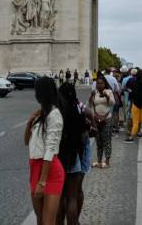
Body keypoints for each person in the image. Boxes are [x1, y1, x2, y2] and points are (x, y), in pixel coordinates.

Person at [24, 77, 65, 225]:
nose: (35, 94)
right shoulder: (40, 114)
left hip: (50, 171)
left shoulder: (55, 114)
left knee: (48, 222)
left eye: (37, 91)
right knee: (40, 220)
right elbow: (26, 142)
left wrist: (42, 181)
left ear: (43, 93)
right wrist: (29, 123)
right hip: (35, 167)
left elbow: (51, 148)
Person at [57, 81, 92, 225]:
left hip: (61, 156)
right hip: (77, 154)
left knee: (61, 197)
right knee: (74, 194)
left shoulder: (57, 111)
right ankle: (75, 222)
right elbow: (88, 124)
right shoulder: (78, 109)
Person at [89, 76, 114, 168]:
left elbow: (112, 103)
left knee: (106, 140)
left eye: (101, 83)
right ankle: (99, 161)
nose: (99, 85)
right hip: (96, 120)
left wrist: (107, 96)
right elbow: (90, 104)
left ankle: (107, 161)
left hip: (107, 119)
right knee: (98, 141)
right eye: (98, 83)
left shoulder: (109, 92)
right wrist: (91, 96)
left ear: (105, 84)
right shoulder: (94, 92)